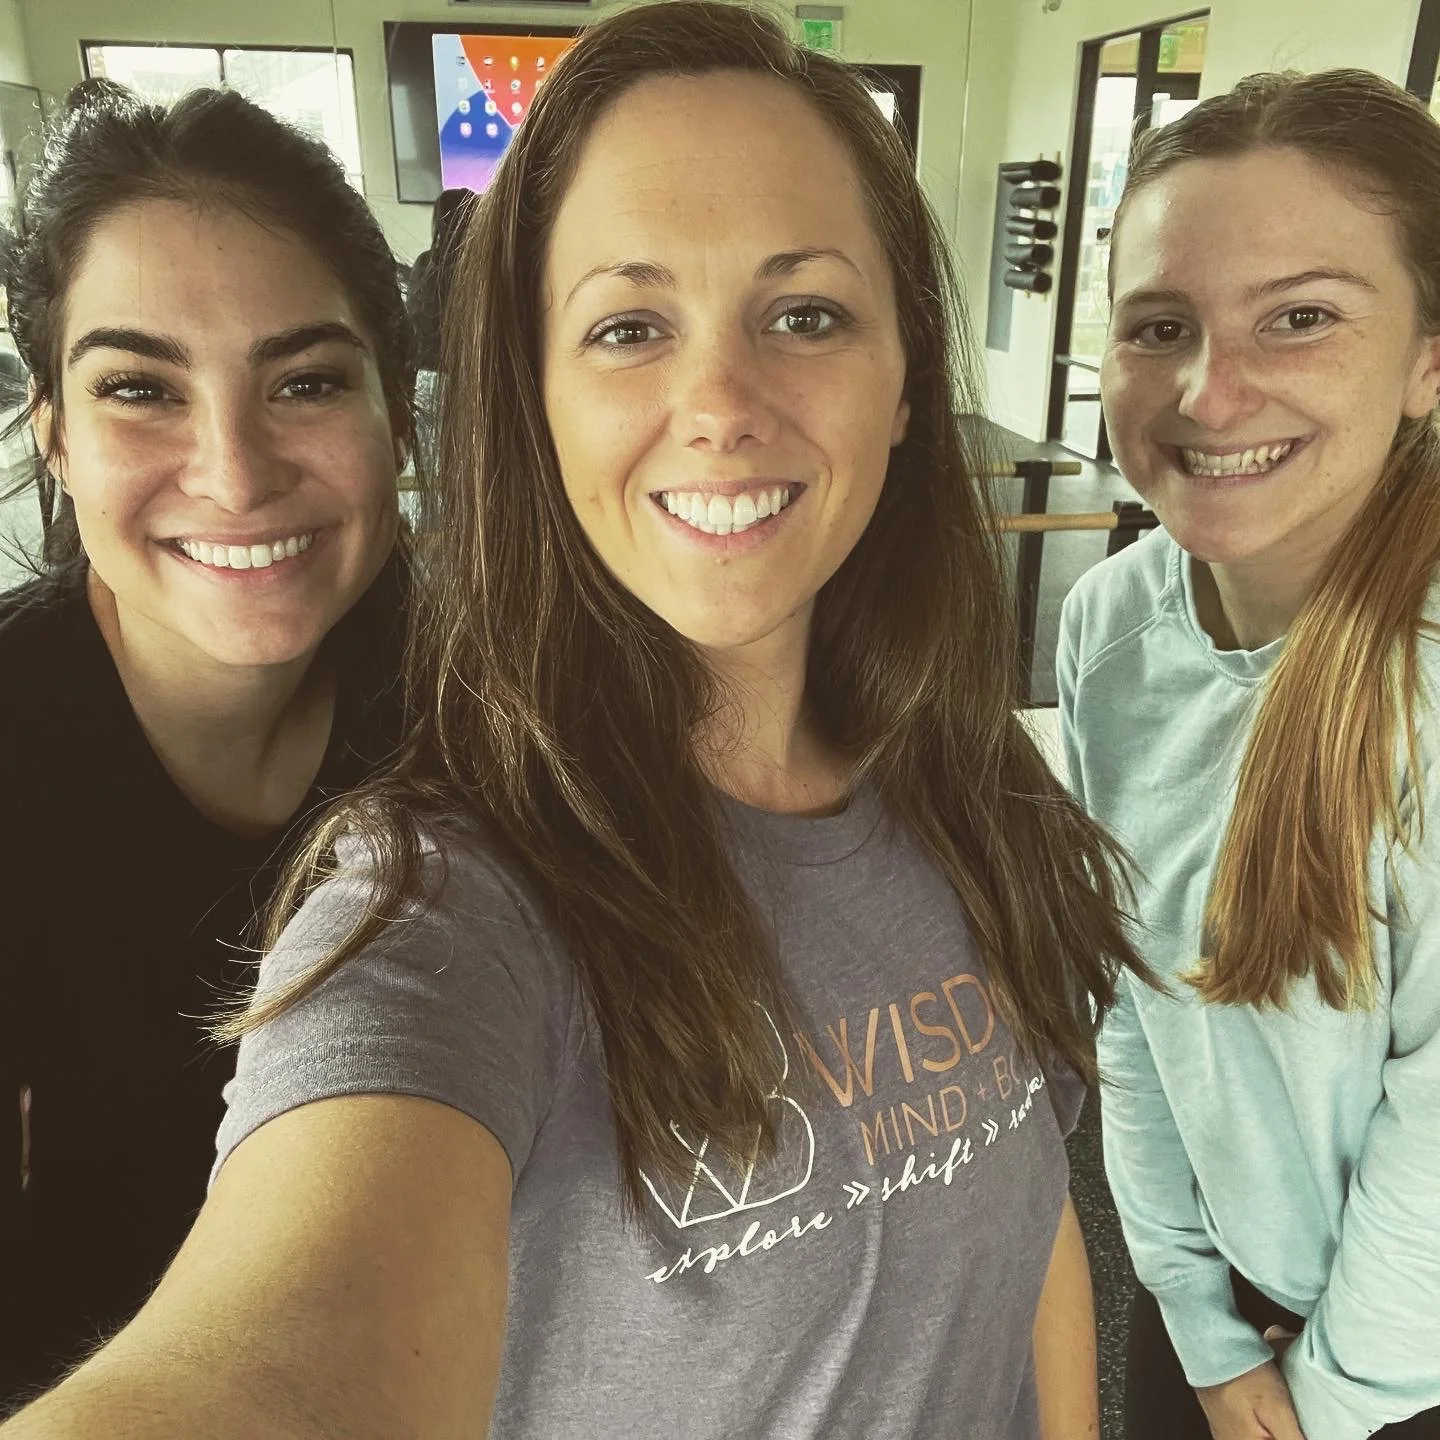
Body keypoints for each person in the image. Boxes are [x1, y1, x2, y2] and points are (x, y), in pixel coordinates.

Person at [2, 6, 1145, 1436]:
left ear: (906, 375)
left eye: (805, 313)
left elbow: (1023, 1206)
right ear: (527, 399)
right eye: (627, 326)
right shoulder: (444, 902)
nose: (720, 404)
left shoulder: (974, 783)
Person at [0, 79, 414, 1405]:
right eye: (139, 389)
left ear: (394, 419)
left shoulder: (489, 707)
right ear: (53, 437)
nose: (234, 472)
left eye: (303, 381)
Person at [1059, 69, 1440, 1440]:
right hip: (1217, 1319)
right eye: (1161, 326)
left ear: (1426, 357)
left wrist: (1326, 1409)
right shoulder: (1109, 625)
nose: (1212, 392)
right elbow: (1138, 1004)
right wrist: (1198, 1322)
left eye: (1301, 317)